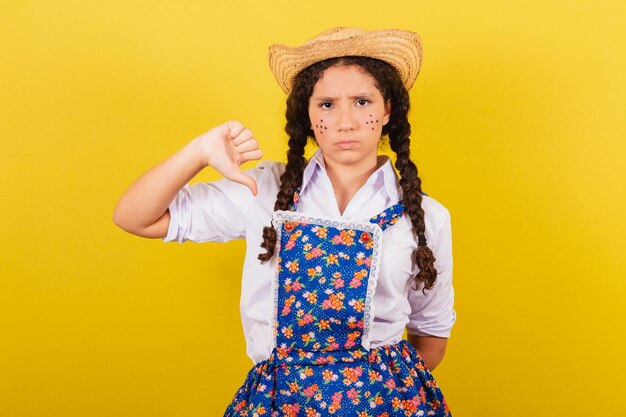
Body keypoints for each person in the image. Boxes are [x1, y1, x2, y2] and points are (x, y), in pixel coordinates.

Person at [113, 27, 455, 416]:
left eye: (362, 101)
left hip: (385, 405)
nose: (345, 121)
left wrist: (375, 395)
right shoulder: (261, 191)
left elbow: (432, 334)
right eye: (326, 104)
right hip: (279, 403)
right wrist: (200, 151)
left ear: (388, 109)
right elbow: (134, 217)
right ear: (306, 115)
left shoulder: (427, 218)